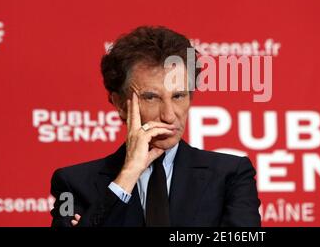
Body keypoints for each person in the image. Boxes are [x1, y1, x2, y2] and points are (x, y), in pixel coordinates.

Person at [50, 26, 261, 227]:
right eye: (151, 97)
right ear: (120, 104)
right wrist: (128, 174)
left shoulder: (232, 175)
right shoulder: (71, 184)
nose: (169, 116)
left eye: (178, 96)